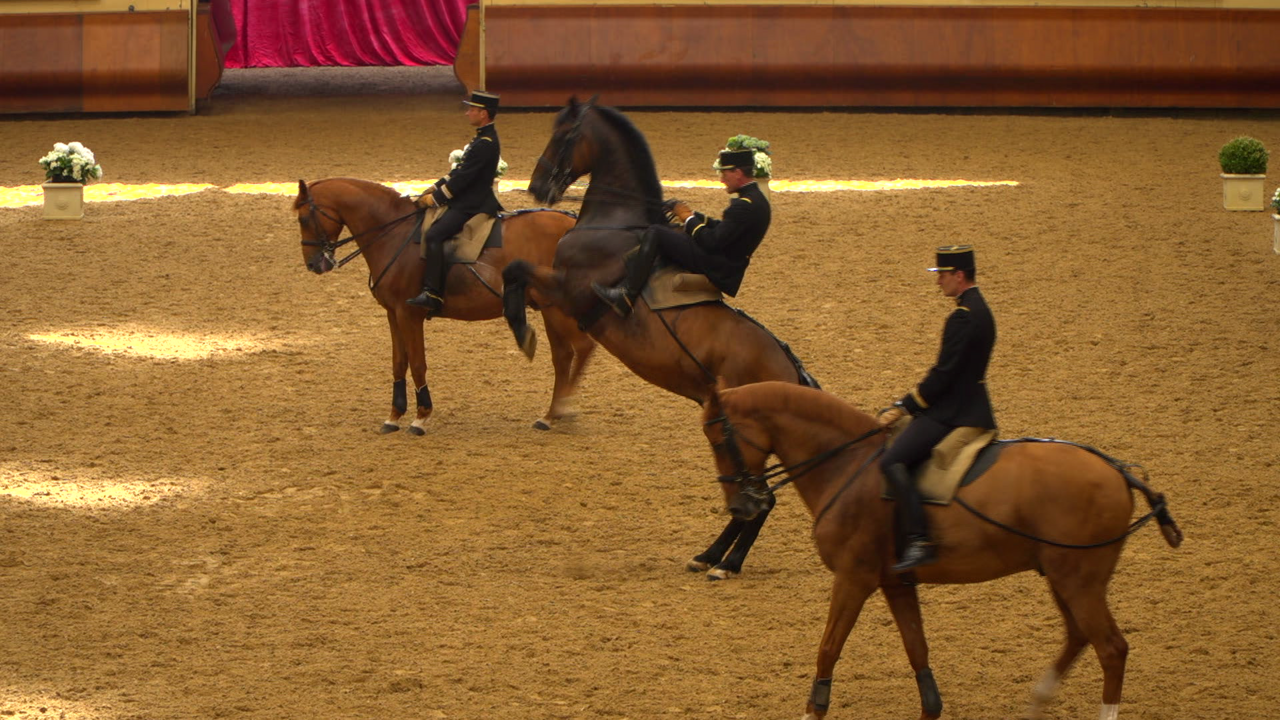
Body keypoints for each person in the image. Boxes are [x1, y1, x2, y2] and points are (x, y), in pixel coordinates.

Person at [875, 245, 997, 572]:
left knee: (892, 460)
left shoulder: (962, 318)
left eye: (942, 275)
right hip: (971, 402)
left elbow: (942, 377)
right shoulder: (981, 309)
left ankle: (919, 539)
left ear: (959, 275)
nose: (938, 282)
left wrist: (902, 407)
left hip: (953, 411)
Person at [592, 148, 770, 317]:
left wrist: (688, 219)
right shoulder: (756, 199)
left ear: (738, 173)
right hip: (728, 261)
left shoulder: (743, 206)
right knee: (673, 230)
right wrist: (694, 216)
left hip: (717, 264)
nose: (722, 179)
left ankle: (625, 295)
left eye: (725, 174)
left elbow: (711, 241)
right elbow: (726, 229)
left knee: (656, 232)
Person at [407, 90, 505, 314]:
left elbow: (464, 179)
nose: (467, 113)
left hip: (472, 203)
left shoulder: (486, 143)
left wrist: (435, 198)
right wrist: (434, 186)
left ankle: (433, 293)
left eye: (472, 109)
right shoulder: (481, 138)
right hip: (466, 196)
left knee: (434, 235)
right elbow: (459, 171)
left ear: (483, 113)